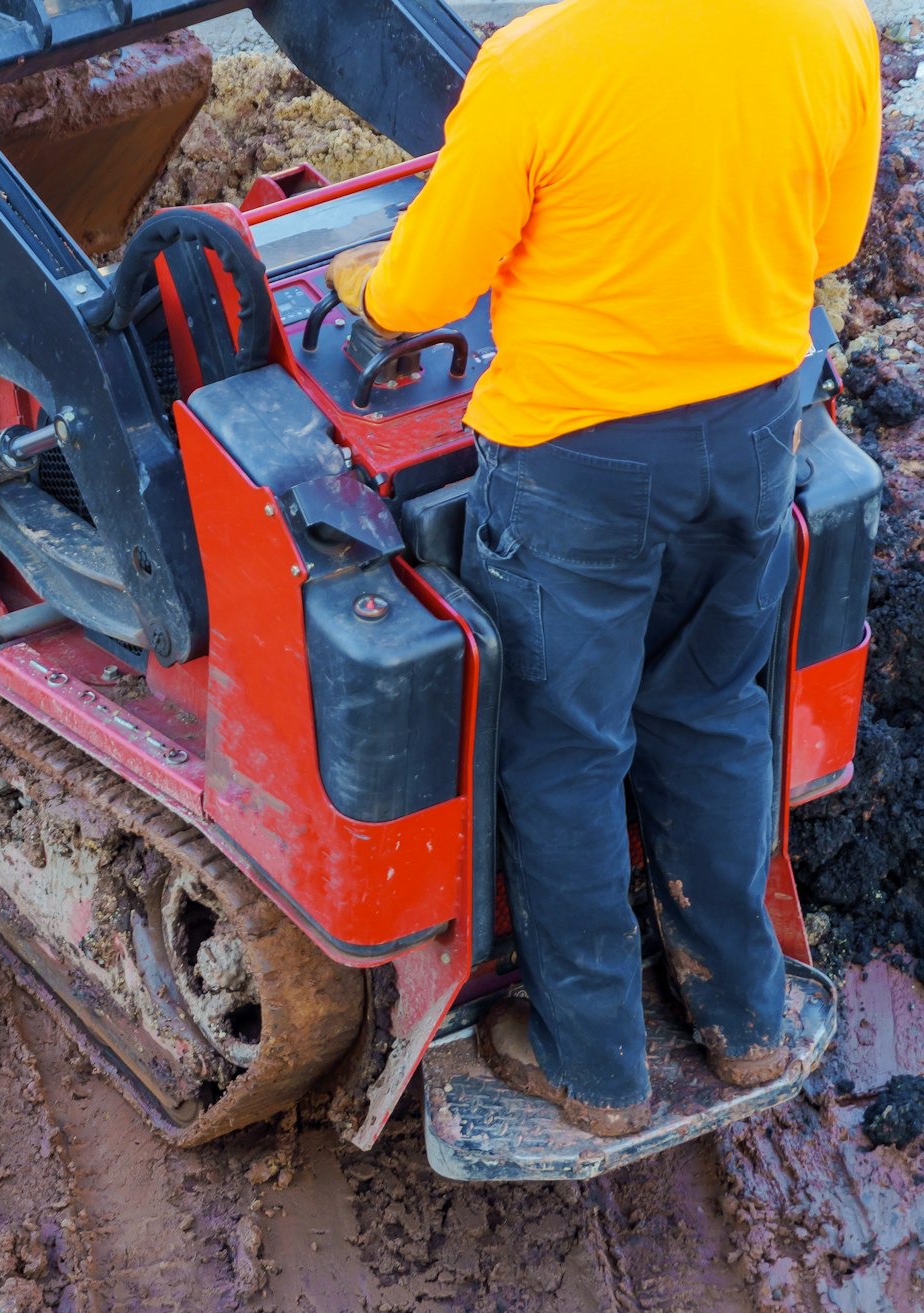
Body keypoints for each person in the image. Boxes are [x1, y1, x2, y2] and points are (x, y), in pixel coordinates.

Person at [324, 0, 882, 1136]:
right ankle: (744, 1020)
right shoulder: (832, 26)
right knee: (714, 704)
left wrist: (360, 286)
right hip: (750, 441)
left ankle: (592, 1065)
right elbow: (828, 246)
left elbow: (425, 297)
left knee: (567, 749)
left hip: (579, 467)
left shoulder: (538, 64)